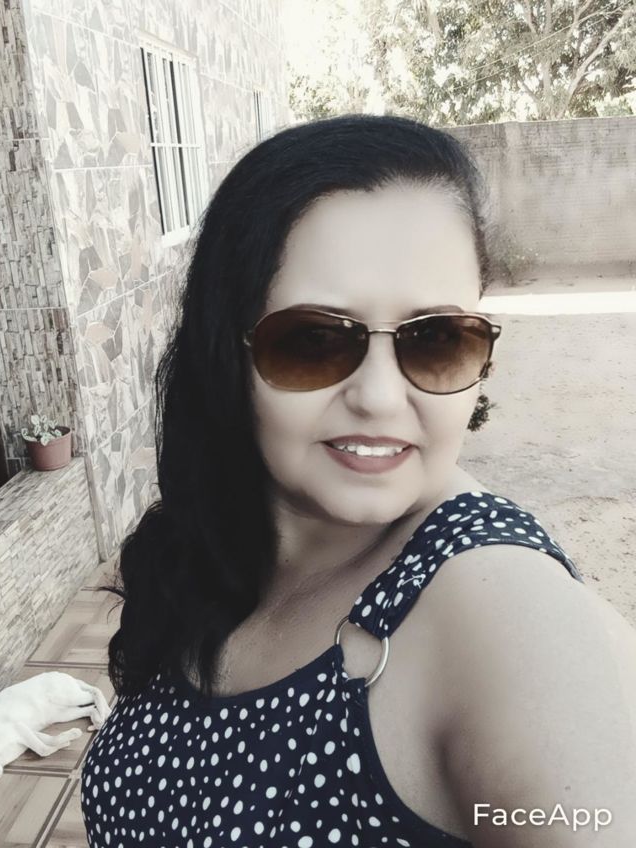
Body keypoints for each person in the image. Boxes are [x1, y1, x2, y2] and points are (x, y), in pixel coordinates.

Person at [81, 114, 636, 847]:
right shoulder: (207, 541)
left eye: (436, 337)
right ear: (226, 350)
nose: (379, 397)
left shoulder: (502, 606)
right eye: (314, 339)